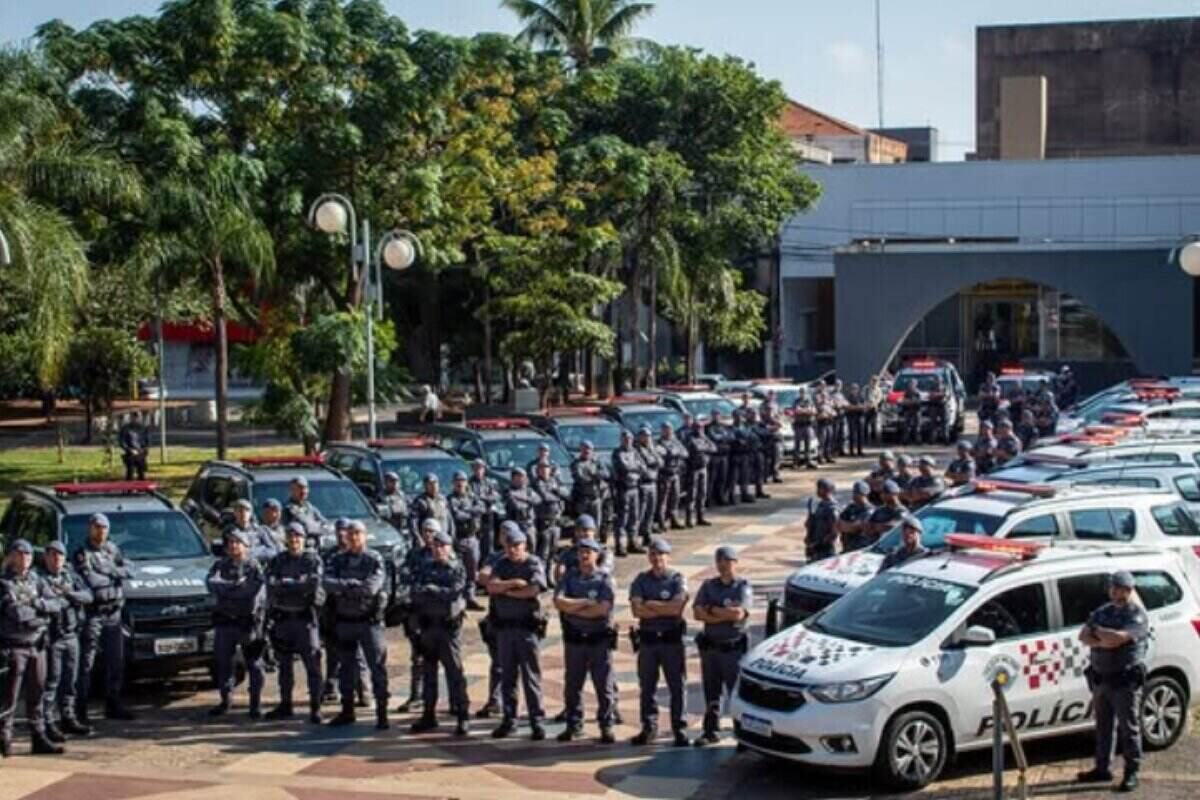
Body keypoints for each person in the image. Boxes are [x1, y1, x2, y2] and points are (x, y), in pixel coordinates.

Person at [1077, 571, 1149, 793]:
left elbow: (1118, 639)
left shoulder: (1136, 615)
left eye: (1118, 588)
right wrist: (1103, 637)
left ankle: (1131, 772)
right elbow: (1083, 636)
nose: (1114, 591)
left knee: (1129, 728)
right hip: (1101, 679)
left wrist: (1101, 636)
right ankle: (1102, 768)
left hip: (1124, 681)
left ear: (1128, 590)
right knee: (1103, 726)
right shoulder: (1102, 612)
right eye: (1112, 587)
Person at [0, 539, 65, 757]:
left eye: (28, 555)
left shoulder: (36, 580)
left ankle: (38, 737)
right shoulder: (4, 583)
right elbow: (17, 615)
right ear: (12, 556)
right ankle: (5, 738)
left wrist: (38, 606)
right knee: (10, 697)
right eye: (21, 554)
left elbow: (56, 604)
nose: (26, 559)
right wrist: (40, 615)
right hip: (14, 647)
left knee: (37, 693)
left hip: (37, 645)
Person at [324, 521, 390, 730]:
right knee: (346, 668)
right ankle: (347, 710)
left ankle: (382, 713)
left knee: (377, 667)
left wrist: (344, 588)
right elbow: (326, 582)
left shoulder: (374, 558)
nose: (354, 537)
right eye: (350, 534)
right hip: (345, 621)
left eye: (358, 533)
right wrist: (352, 585)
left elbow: (371, 587)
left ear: (365, 536)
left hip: (368, 622)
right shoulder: (337, 559)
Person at [485, 528, 548, 741]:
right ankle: (509, 719)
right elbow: (491, 586)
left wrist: (508, 592)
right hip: (504, 629)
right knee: (508, 676)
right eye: (509, 546)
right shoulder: (502, 564)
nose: (513, 550)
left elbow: (533, 589)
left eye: (517, 546)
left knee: (531, 676)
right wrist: (512, 585)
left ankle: (536, 721)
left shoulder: (532, 563)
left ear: (525, 546)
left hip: (526, 629)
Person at [73, 513, 135, 722]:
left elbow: (130, 570)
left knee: (116, 661)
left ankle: (113, 704)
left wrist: (110, 570)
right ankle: (80, 709)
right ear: (90, 528)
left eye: (104, 528)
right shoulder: (82, 553)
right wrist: (114, 575)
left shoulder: (112, 549)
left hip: (114, 614)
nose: (101, 531)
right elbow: (92, 580)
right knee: (86, 663)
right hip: (93, 614)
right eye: (97, 527)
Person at [554, 538, 617, 743]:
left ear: (597, 555)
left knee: (603, 686)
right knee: (572, 685)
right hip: (575, 641)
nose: (584, 555)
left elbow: (601, 610)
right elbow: (559, 602)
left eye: (589, 552)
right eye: (581, 551)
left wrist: (574, 608)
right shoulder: (570, 577)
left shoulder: (605, 579)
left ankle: (606, 725)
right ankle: (573, 724)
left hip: (598, 640)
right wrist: (584, 603)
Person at [629, 537, 689, 747]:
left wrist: (651, 605)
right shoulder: (641, 580)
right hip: (648, 641)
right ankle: (649, 727)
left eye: (661, 554)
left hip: (671, 641)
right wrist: (663, 606)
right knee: (647, 686)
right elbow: (637, 610)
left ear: (668, 556)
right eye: (653, 554)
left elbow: (676, 608)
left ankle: (679, 728)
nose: (657, 559)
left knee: (677, 686)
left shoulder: (676, 579)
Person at [410, 528, 470, 737]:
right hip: (428, 626)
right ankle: (428, 714)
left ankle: (463, 715)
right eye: (435, 546)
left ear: (449, 548)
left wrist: (432, 590)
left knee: (454, 673)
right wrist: (431, 591)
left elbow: (453, 592)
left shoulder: (456, 568)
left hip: (447, 628)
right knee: (429, 673)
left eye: (442, 546)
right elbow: (415, 591)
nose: (438, 550)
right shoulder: (425, 568)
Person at [264, 522, 325, 724]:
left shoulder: (312, 559)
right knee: (284, 666)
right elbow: (271, 585)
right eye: (290, 537)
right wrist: (296, 584)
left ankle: (315, 708)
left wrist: (287, 584)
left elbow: (313, 584)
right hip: (283, 619)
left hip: (305, 620)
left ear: (304, 538)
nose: (294, 540)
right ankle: (285, 704)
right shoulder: (278, 560)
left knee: (313, 667)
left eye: (298, 536)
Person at [692, 546, 751, 747]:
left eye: (727, 560)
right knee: (711, 690)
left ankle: (742, 732)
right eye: (719, 560)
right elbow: (697, 613)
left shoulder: (742, 586)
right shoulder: (709, 585)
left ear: (735, 562)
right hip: (711, 648)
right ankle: (710, 729)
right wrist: (721, 612)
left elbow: (737, 614)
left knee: (736, 692)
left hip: (732, 649)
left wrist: (711, 610)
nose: (723, 564)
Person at [206, 527, 267, 718]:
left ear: (246, 546)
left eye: (237, 542)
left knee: (254, 665)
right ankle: (226, 700)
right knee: (223, 663)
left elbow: (251, 593)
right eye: (230, 542)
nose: (233, 546)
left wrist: (227, 589)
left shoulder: (253, 567)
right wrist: (234, 587)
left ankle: (255, 704)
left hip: (246, 623)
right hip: (225, 622)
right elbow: (211, 584)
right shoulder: (219, 566)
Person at [39, 541, 92, 742]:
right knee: (52, 682)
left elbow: (88, 596)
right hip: (53, 638)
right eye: (52, 555)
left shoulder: (70, 576)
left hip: (72, 635)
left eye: (60, 556)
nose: (57, 559)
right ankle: (48, 721)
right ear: (46, 557)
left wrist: (69, 595)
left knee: (71, 681)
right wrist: (64, 600)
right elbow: (48, 603)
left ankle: (68, 717)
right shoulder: (41, 579)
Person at [395, 519, 437, 713]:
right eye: (424, 531)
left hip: (437, 615)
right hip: (416, 612)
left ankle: (452, 700)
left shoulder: (445, 555)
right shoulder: (414, 555)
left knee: (443, 658)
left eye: (431, 531)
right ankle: (416, 695)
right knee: (418, 657)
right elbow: (404, 576)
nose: (428, 535)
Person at [447, 472, 486, 611]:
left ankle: (470, 597)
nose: (460, 483)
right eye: (457, 481)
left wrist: (468, 511)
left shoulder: (472, 496)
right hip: (459, 539)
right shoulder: (450, 499)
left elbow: (482, 508)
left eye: (463, 480)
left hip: (472, 538)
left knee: (472, 570)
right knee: (458, 570)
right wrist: (471, 513)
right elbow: (457, 516)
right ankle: (458, 599)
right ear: (453, 483)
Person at [612, 430, 646, 557]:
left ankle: (633, 542)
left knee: (634, 517)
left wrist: (633, 467)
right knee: (622, 519)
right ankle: (619, 545)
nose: (628, 441)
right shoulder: (617, 453)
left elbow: (643, 467)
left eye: (630, 438)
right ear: (621, 440)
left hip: (635, 488)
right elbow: (623, 467)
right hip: (623, 489)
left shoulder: (634, 452)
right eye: (625, 438)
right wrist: (634, 467)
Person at [531, 460, 569, 570]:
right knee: (543, 551)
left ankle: (549, 574)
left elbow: (566, 494)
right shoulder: (536, 483)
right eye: (541, 468)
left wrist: (556, 491)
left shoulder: (554, 481)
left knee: (553, 551)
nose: (544, 470)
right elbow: (545, 497)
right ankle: (540, 575)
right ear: (538, 470)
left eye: (546, 468)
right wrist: (558, 497)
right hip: (543, 521)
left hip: (556, 520)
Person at [570, 441, 607, 544]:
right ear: (581, 450)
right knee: (582, 523)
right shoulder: (576, 463)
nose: (587, 451)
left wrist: (595, 474)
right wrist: (595, 477)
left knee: (596, 524)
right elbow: (580, 478)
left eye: (589, 449)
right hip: (583, 499)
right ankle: (580, 544)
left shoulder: (597, 462)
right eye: (584, 448)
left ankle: (594, 543)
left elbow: (606, 474)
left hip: (596, 498)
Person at [683, 416, 715, 527]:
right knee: (692, 495)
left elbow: (713, 448)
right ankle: (688, 519)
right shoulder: (690, 438)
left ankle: (700, 517)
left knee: (702, 494)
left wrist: (704, 447)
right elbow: (695, 448)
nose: (700, 430)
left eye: (701, 428)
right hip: (693, 469)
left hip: (703, 468)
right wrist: (704, 448)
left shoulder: (704, 437)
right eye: (697, 427)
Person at [225, 499, 279, 563]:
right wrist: (261, 548)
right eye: (240, 511)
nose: (243, 513)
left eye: (247, 510)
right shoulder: (229, 531)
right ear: (235, 513)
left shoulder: (261, 530)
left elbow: (273, 551)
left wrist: (251, 553)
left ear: (251, 513)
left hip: (259, 567)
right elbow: (226, 552)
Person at [656, 422, 689, 529]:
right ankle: (661, 522)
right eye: (665, 429)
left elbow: (685, 453)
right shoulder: (658, 442)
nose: (668, 431)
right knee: (663, 500)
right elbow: (664, 453)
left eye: (669, 429)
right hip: (665, 475)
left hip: (675, 473)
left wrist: (674, 452)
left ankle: (674, 519)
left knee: (675, 498)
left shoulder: (675, 441)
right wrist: (674, 453)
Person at [635, 426, 664, 543]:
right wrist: (653, 462)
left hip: (653, 482)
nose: (646, 438)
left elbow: (660, 462)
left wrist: (653, 460)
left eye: (648, 436)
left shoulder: (651, 448)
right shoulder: (637, 450)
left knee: (650, 511)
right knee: (640, 512)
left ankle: (647, 533)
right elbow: (644, 465)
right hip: (643, 484)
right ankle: (636, 536)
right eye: (644, 436)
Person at [468, 458, 503, 558]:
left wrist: (483, 497)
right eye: (476, 468)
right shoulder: (469, 483)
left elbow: (496, 496)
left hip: (488, 517)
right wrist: (485, 498)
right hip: (476, 518)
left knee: (489, 545)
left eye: (480, 468)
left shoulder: (490, 482)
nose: (478, 470)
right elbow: (471, 498)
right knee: (476, 547)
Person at [504, 466, 543, 553]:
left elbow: (538, 500)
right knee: (517, 548)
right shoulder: (509, 491)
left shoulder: (528, 490)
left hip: (529, 524)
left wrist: (524, 499)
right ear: (513, 479)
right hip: (516, 525)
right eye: (517, 477)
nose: (520, 480)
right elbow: (516, 506)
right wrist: (527, 501)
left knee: (532, 546)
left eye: (522, 477)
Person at [804, 478, 840, 562]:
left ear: (827, 490)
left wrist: (818, 544)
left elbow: (834, 532)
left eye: (820, 488)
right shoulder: (820, 504)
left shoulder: (832, 508)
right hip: (815, 548)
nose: (817, 491)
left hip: (825, 551)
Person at [411, 474, 454, 543]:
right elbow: (413, 522)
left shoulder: (443, 499)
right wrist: (418, 538)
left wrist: (451, 536)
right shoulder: (420, 501)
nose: (433, 486)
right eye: (430, 484)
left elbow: (449, 519)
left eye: (435, 483)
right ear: (425, 486)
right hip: (428, 540)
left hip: (443, 538)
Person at [838, 481, 876, 552]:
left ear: (865, 495)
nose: (854, 496)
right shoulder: (851, 507)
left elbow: (854, 528)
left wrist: (847, 526)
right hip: (847, 547)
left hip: (860, 549)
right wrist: (849, 526)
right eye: (854, 493)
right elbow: (838, 524)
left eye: (858, 494)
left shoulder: (870, 511)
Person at [865, 481, 906, 545]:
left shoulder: (901, 511)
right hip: (875, 545)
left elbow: (893, 528)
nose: (882, 495)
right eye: (881, 493)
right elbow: (867, 527)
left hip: (892, 546)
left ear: (894, 494)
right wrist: (877, 527)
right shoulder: (880, 510)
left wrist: (875, 526)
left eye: (885, 493)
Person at [707, 413, 734, 504]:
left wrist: (722, 437)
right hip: (714, 456)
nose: (716, 418)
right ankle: (708, 499)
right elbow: (714, 437)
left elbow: (731, 437)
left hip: (724, 456)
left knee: (722, 478)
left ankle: (720, 497)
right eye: (715, 416)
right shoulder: (709, 427)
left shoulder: (724, 427)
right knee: (712, 479)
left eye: (718, 416)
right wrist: (724, 437)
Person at [117, 410, 149, 480]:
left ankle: (142, 489)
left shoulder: (143, 428)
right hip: (130, 454)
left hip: (141, 453)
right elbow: (121, 441)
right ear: (130, 418)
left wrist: (144, 449)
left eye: (137, 417)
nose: (135, 418)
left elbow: (147, 440)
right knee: (130, 473)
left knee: (142, 474)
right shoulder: (125, 428)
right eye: (133, 417)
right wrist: (129, 449)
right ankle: (129, 489)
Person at [758, 399, 784, 483]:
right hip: (766, 442)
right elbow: (764, 428)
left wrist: (774, 423)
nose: (769, 411)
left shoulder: (775, 419)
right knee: (767, 460)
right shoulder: (762, 420)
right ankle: (766, 476)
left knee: (776, 459)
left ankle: (776, 475)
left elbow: (779, 425)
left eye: (771, 410)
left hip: (776, 441)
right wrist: (772, 427)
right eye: (768, 410)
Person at [791, 389, 818, 470]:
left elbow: (813, 411)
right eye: (801, 392)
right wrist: (807, 410)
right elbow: (796, 411)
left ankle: (808, 461)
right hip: (799, 425)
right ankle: (796, 462)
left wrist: (803, 410)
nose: (803, 394)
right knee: (797, 445)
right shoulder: (796, 401)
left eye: (804, 392)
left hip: (808, 425)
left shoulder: (809, 401)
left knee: (808, 445)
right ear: (799, 393)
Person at [843, 383, 867, 457]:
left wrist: (860, 407)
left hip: (860, 417)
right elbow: (848, 407)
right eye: (853, 389)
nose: (854, 390)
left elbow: (865, 406)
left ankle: (860, 451)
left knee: (861, 435)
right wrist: (857, 407)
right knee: (852, 435)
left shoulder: (861, 397)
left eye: (856, 388)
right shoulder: (848, 398)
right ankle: (852, 452)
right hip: (852, 417)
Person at [900, 378, 922, 445]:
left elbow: (918, 401)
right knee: (906, 427)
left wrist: (910, 401)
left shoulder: (917, 392)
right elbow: (903, 401)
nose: (911, 385)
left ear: (915, 384)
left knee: (917, 427)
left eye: (912, 383)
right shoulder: (906, 392)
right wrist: (908, 402)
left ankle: (918, 441)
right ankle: (905, 441)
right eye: (910, 383)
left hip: (916, 411)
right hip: (908, 411)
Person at [864, 376, 884, 444]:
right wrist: (867, 404)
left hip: (874, 408)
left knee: (874, 425)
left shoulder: (878, 390)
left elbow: (879, 398)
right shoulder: (866, 388)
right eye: (873, 380)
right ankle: (866, 439)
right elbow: (863, 396)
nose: (874, 382)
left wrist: (874, 403)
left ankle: (874, 440)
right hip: (866, 408)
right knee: (866, 425)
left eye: (876, 381)